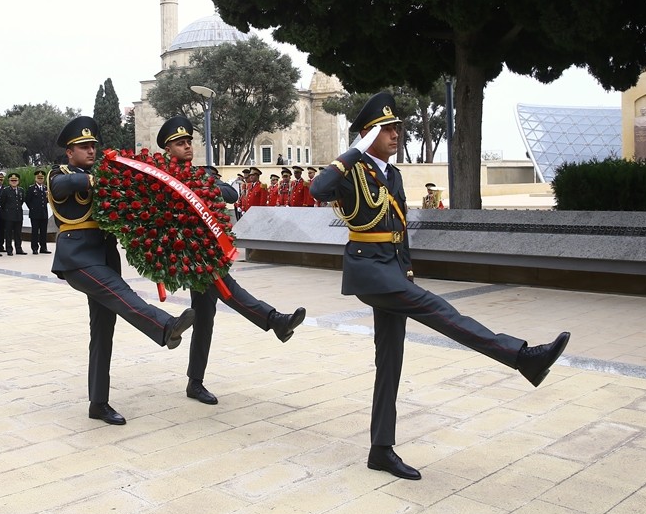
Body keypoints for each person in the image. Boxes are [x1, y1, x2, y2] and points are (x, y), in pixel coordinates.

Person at [310, 91, 570, 481]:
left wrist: (408, 272)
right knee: (444, 313)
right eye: (387, 129)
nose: (397, 134)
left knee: (390, 362)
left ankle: (380, 450)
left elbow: (400, 233)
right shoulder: (352, 173)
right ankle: (521, 357)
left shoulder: (391, 174)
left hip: (393, 272)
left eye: (398, 127)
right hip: (370, 272)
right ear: (367, 135)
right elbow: (318, 189)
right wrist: (354, 151)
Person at [49, 116, 195, 425]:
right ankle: (165, 326)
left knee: (103, 332)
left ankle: (98, 403)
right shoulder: (59, 174)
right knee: (122, 294)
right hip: (77, 257)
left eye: (93, 146)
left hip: (104, 255)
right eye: (84, 147)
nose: (91, 151)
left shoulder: (103, 175)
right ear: (69, 153)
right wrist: (100, 177)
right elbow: (66, 185)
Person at [157, 116, 306, 405]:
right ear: (167, 150)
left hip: (208, 251)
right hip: (189, 255)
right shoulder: (162, 178)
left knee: (204, 318)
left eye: (189, 141)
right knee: (228, 291)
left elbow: (230, 192)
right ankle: (276, 321)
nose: (187, 146)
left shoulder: (202, 174)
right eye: (180, 143)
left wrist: (200, 188)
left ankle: (195, 382)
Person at [0, 172, 27, 255]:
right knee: (8, 233)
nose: (14, 182)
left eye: (15, 180)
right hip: (9, 216)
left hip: (18, 215)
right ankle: (9, 249)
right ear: (9, 181)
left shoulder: (21, 190)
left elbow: (21, 201)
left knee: (18, 233)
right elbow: (2, 203)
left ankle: (18, 249)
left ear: (18, 181)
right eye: (12, 180)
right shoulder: (5, 190)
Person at [26, 170, 50, 254]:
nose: (40, 179)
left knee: (43, 231)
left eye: (41, 178)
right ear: (35, 178)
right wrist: (32, 208)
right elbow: (28, 200)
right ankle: (35, 248)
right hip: (35, 214)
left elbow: (47, 200)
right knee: (35, 231)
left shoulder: (46, 188)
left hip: (44, 213)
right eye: (38, 178)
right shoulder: (32, 188)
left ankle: (43, 248)